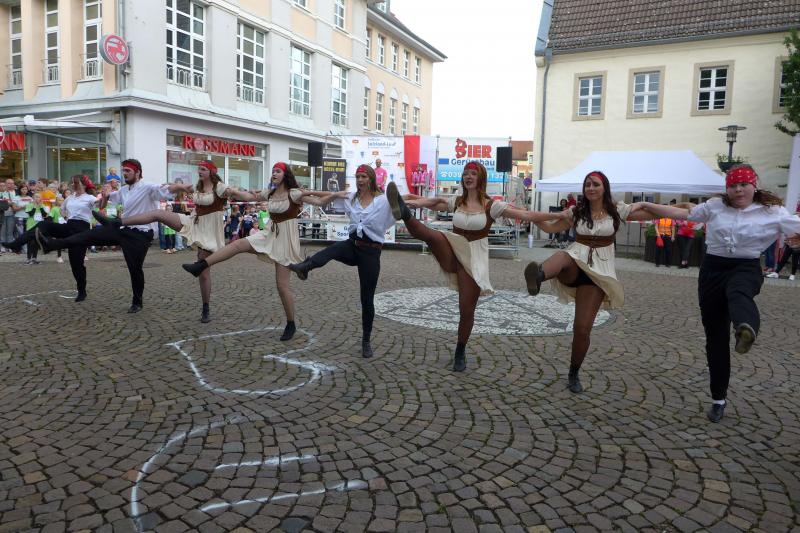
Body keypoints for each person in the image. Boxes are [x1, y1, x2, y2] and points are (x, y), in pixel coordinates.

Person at [639, 165, 800, 423]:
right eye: (733, 186)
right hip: (713, 269)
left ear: (754, 186)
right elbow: (684, 213)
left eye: (743, 185)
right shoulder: (715, 206)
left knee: (738, 292)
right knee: (715, 337)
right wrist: (648, 206)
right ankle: (718, 399)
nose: (738, 190)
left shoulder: (773, 212)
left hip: (746, 266)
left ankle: (746, 329)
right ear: (727, 189)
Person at [385, 161, 569, 372]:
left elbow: (527, 215)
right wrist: (411, 202)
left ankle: (460, 350)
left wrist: (558, 215)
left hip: (473, 259)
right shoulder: (457, 201)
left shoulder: (492, 206)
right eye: (465, 173)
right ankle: (404, 213)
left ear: (481, 178)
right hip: (453, 248)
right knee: (432, 235)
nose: (468, 176)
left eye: (473, 173)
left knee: (466, 309)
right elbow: (434, 202)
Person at [522, 171, 652, 392]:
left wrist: (682, 209)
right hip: (575, 262)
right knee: (563, 255)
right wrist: (532, 217)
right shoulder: (577, 211)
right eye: (587, 184)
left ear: (604, 187)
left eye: (595, 184)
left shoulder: (616, 210)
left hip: (597, 275)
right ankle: (538, 276)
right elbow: (551, 227)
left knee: (581, 329)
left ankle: (574, 373)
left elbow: (651, 213)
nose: (591, 188)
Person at [182, 162, 341, 337]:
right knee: (237, 244)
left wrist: (329, 194)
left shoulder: (294, 194)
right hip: (269, 234)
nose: (274, 174)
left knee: (282, 287)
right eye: (273, 171)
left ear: (285, 175)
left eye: (278, 171)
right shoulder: (269, 193)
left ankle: (291, 323)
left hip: (285, 241)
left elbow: (321, 201)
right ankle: (200, 266)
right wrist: (234, 192)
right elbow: (250, 196)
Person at [92, 160, 236, 322]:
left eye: (203, 169)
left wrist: (254, 195)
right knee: (158, 214)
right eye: (199, 169)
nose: (199, 171)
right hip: (194, 222)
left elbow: (238, 194)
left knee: (203, 273)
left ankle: (206, 308)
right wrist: (174, 186)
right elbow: (179, 188)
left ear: (211, 172)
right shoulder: (197, 187)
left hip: (210, 230)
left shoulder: (220, 188)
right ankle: (117, 222)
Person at [38, 159, 186, 313]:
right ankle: (50, 245)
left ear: (137, 172)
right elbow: (109, 198)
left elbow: (167, 189)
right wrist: (105, 194)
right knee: (86, 236)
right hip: (122, 228)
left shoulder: (148, 187)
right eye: (124, 171)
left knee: (134, 268)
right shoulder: (124, 190)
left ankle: (137, 302)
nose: (124, 173)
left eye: (128, 171)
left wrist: (181, 186)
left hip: (140, 233)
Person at [288, 164, 394, 358]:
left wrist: (434, 201)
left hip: (371, 253)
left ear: (371, 178)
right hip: (353, 245)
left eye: (363, 176)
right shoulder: (351, 197)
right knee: (333, 249)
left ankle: (366, 341)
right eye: (358, 176)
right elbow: (328, 195)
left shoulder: (383, 200)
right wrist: (308, 192)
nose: (360, 180)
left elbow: (407, 200)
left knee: (367, 299)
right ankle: (305, 267)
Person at [4, 175, 97, 300]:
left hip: (82, 230)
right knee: (43, 225)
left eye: (75, 182)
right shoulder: (70, 197)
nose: (73, 184)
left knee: (76, 264)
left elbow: (100, 204)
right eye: (72, 182)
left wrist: (105, 197)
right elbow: (62, 210)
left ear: (84, 185)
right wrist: (68, 216)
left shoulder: (90, 197)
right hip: (69, 225)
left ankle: (82, 291)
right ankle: (16, 244)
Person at [23, 193, 49, 264]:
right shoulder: (29, 205)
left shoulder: (42, 205)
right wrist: (35, 206)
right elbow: (31, 214)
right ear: (33, 198)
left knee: (36, 241)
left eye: (39, 197)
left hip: (39, 226)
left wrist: (40, 207)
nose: (37, 198)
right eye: (36, 197)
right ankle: (28, 258)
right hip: (30, 225)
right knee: (30, 242)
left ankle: (34, 258)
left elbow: (44, 215)